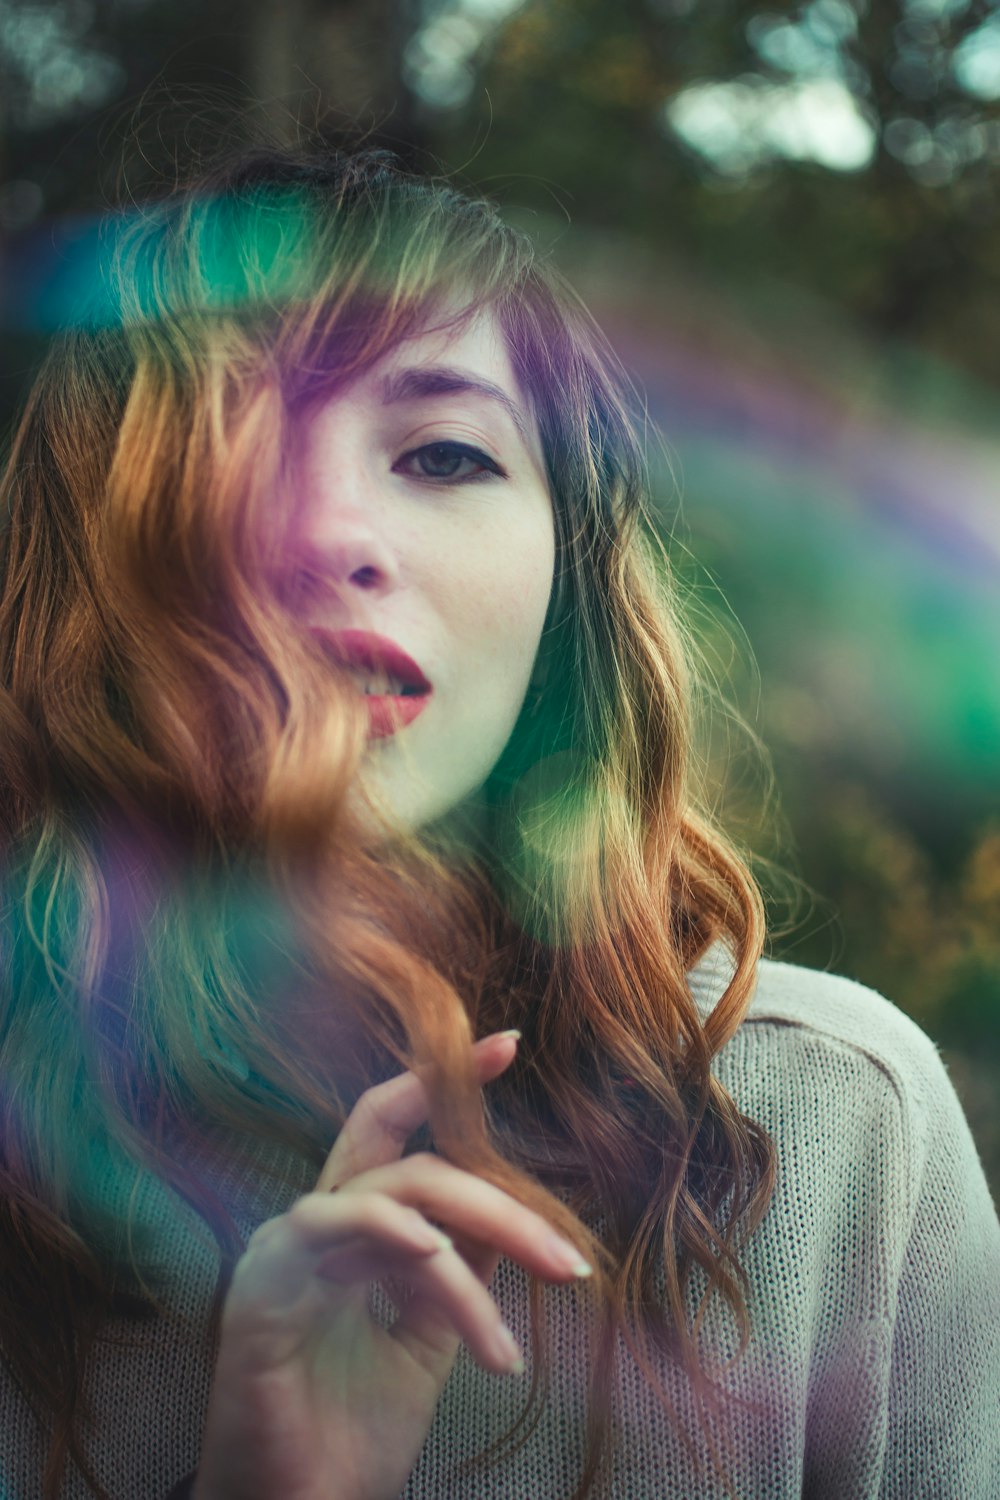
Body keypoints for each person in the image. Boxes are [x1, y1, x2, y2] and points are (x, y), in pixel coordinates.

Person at [0, 144, 997, 1500]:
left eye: (446, 452)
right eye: (230, 453)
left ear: (564, 598)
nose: (332, 533)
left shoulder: (836, 1125)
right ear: (88, 579)